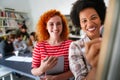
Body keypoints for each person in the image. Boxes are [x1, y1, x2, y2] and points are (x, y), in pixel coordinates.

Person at [68, 0, 106, 80]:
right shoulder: (76, 46)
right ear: (80, 24)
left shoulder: (111, 41)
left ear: (100, 19)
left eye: (94, 17)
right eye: (84, 21)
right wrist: (96, 67)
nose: (89, 24)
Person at [31, 9, 73, 80]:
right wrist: (42, 69)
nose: (55, 28)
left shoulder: (71, 45)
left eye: (58, 23)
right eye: (51, 24)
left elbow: (74, 70)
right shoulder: (39, 46)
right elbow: (33, 70)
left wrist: (56, 78)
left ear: (63, 26)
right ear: (46, 27)